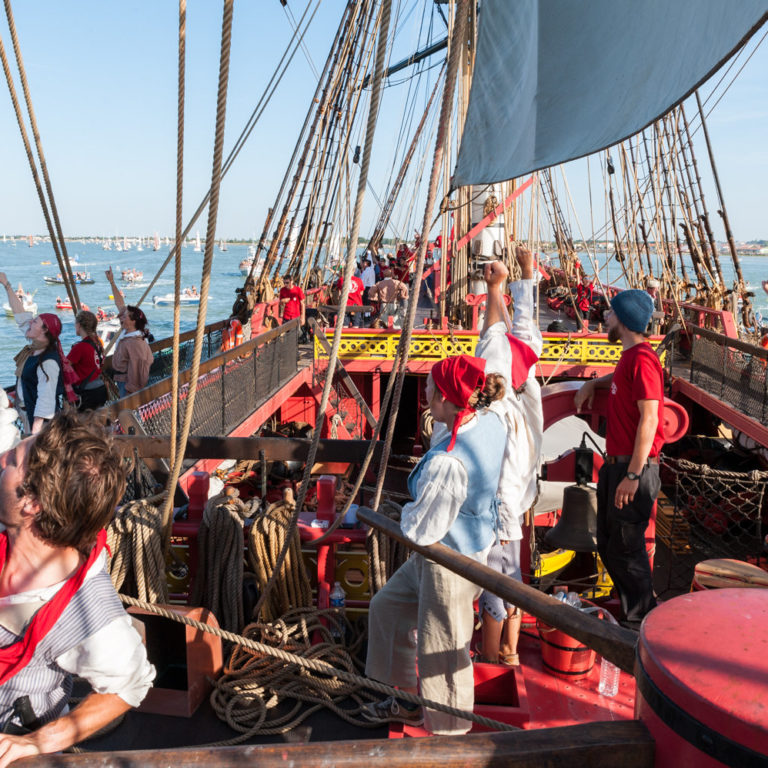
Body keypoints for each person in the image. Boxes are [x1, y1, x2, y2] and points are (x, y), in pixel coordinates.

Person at [362, 355, 506, 734]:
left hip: (449, 564)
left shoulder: (449, 462)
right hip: (461, 548)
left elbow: (421, 531)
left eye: (428, 385)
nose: (423, 390)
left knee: (445, 650)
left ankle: (450, 735)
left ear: (443, 397)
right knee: (387, 608)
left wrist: (403, 513)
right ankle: (409, 700)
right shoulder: (490, 421)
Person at [0, 411, 154, 762]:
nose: (1, 460)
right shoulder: (9, 530)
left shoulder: (90, 615)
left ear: (31, 504)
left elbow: (130, 685)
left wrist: (39, 741)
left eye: (11, 461)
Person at [574, 289, 664, 629]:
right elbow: (625, 382)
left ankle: (644, 623)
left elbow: (650, 418)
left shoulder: (642, 360)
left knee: (627, 549)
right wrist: (595, 383)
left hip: (632, 469)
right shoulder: (631, 358)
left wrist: (633, 475)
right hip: (618, 467)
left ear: (624, 320)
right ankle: (634, 616)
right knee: (612, 546)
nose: (605, 318)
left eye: (611, 313)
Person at [473, 250, 543, 667]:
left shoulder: (495, 417)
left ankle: (490, 658)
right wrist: (522, 277)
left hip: (496, 507)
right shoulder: (525, 382)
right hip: (516, 501)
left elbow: (494, 337)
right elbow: (522, 330)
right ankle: (511, 653)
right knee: (512, 578)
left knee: (493, 583)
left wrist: (493, 288)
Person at [0, 273, 64, 435]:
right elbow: (21, 315)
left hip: (42, 428)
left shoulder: (48, 362)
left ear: (44, 331)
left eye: (35, 321)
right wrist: (6, 284)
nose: (30, 321)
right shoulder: (37, 348)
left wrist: (34, 438)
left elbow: (45, 403)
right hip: (28, 413)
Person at [105, 268, 154, 397]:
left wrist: (131, 389)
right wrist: (112, 282)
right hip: (122, 381)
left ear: (132, 321)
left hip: (128, 385)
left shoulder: (135, 342)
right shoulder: (129, 333)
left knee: (128, 412)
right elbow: (120, 304)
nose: (121, 317)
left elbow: (140, 367)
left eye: (125, 316)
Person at [67, 311, 108, 411]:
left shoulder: (80, 347)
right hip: (100, 389)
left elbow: (65, 365)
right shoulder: (97, 343)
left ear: (79, 325)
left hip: (87, 393)